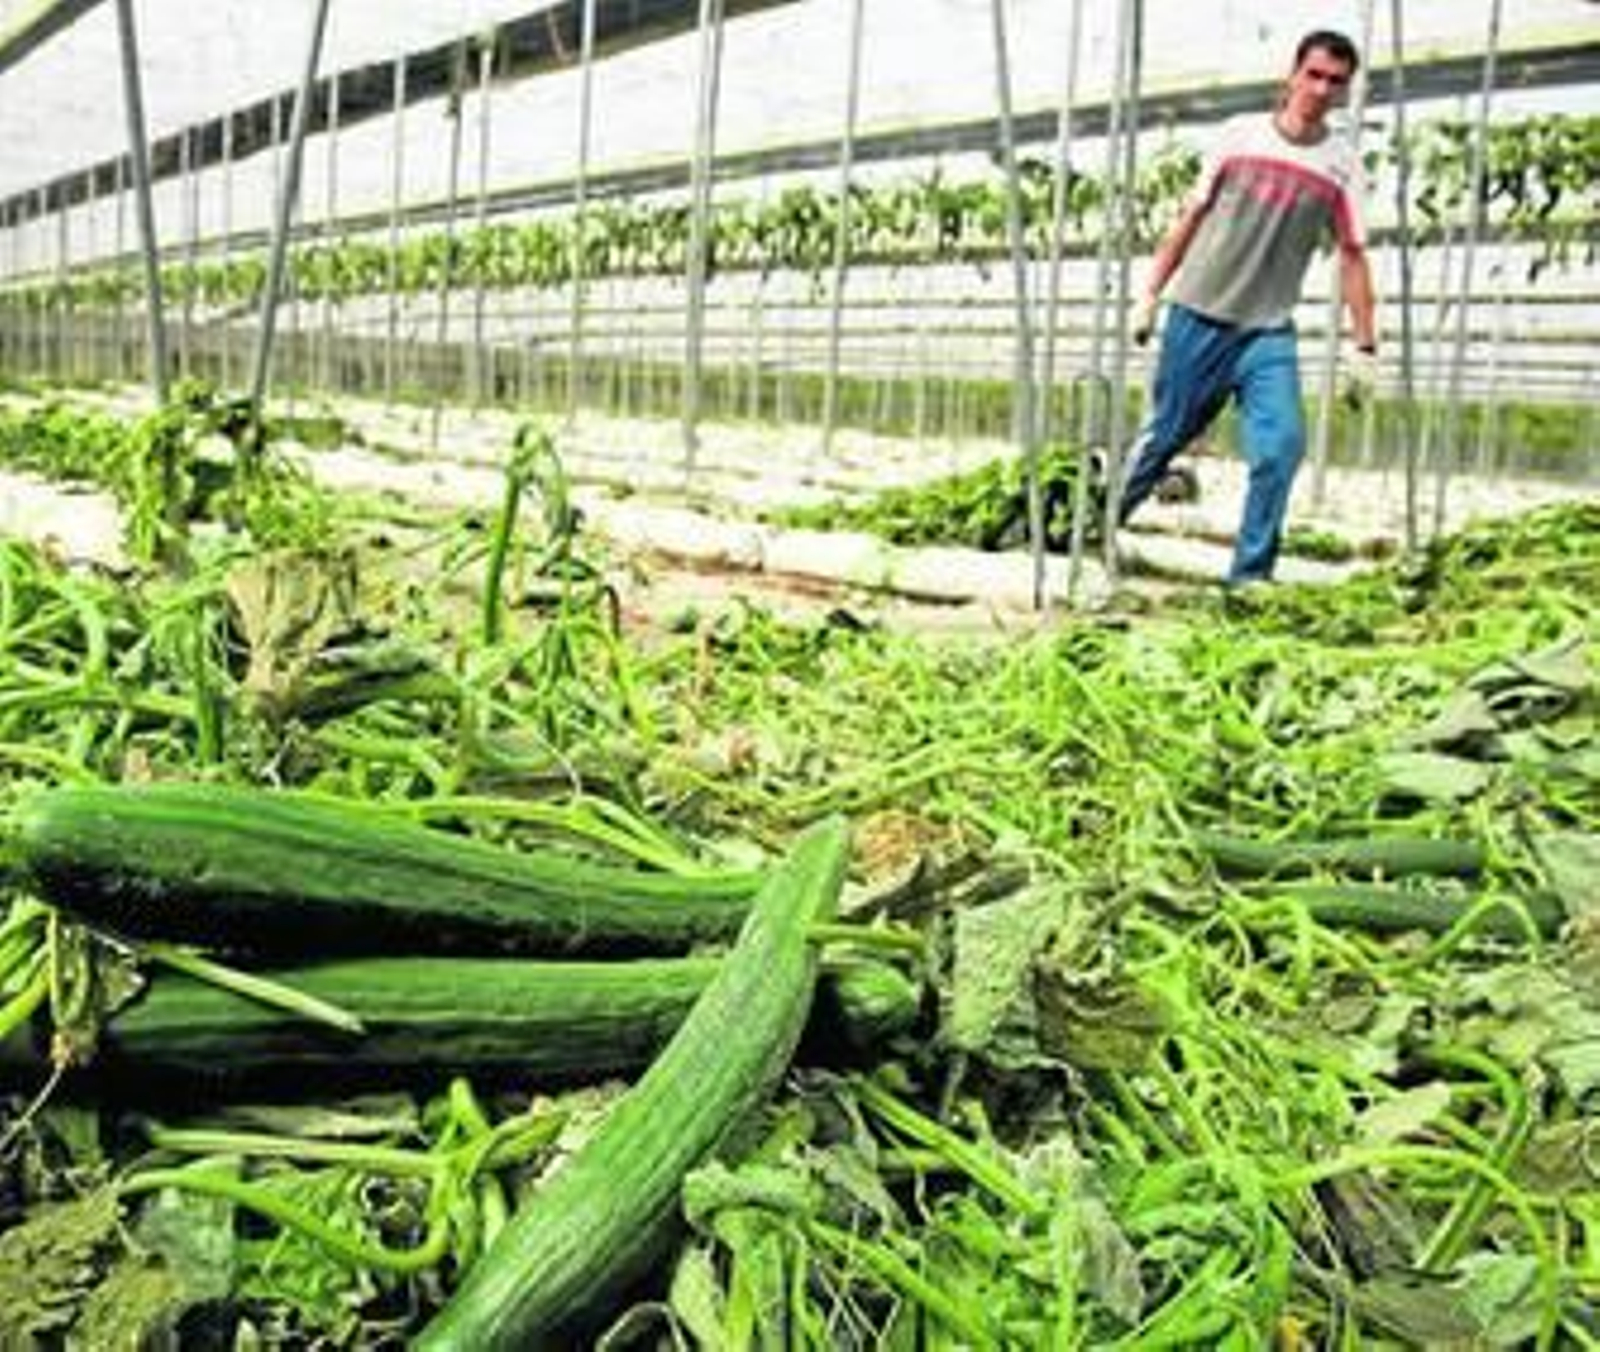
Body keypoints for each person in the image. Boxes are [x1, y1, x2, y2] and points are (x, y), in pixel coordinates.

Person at [1117, 29, 1378, 585]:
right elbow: (1190, 216)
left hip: (1266, 330)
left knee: (1282, 446)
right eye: (1314, 75)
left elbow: (1353, 254)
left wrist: (1365, 346)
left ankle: (1250, 580)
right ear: (1292, 75)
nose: (1322, 89)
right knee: (1165, 435)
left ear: (1345, 91)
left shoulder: (1342, 166)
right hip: (1199, 313)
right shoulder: (1239, 137)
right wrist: (1149, 293)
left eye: (1335, 82)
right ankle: (1092, 527)